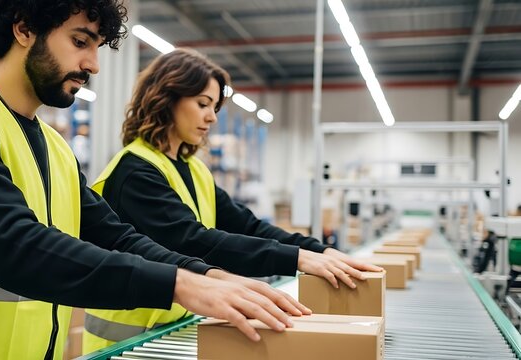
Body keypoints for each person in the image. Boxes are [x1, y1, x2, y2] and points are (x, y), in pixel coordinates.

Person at [0, 3, 310, 359]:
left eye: (97, 46)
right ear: (24, 29)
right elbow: (15, 246)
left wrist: (208, 275)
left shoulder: (53, 146)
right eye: (80, 42)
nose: (93, 64)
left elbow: (116, 236)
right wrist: (178, 285)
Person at [83, 48, 383, 353]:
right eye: (202, 104)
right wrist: (297, 259)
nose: (212, 117)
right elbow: (193, 240)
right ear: (166, 99)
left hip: (171, 333)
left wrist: (319, 251)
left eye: (214, 106)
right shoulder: (134, 171)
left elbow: (248, 226)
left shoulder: (194, 169)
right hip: (125, 344)